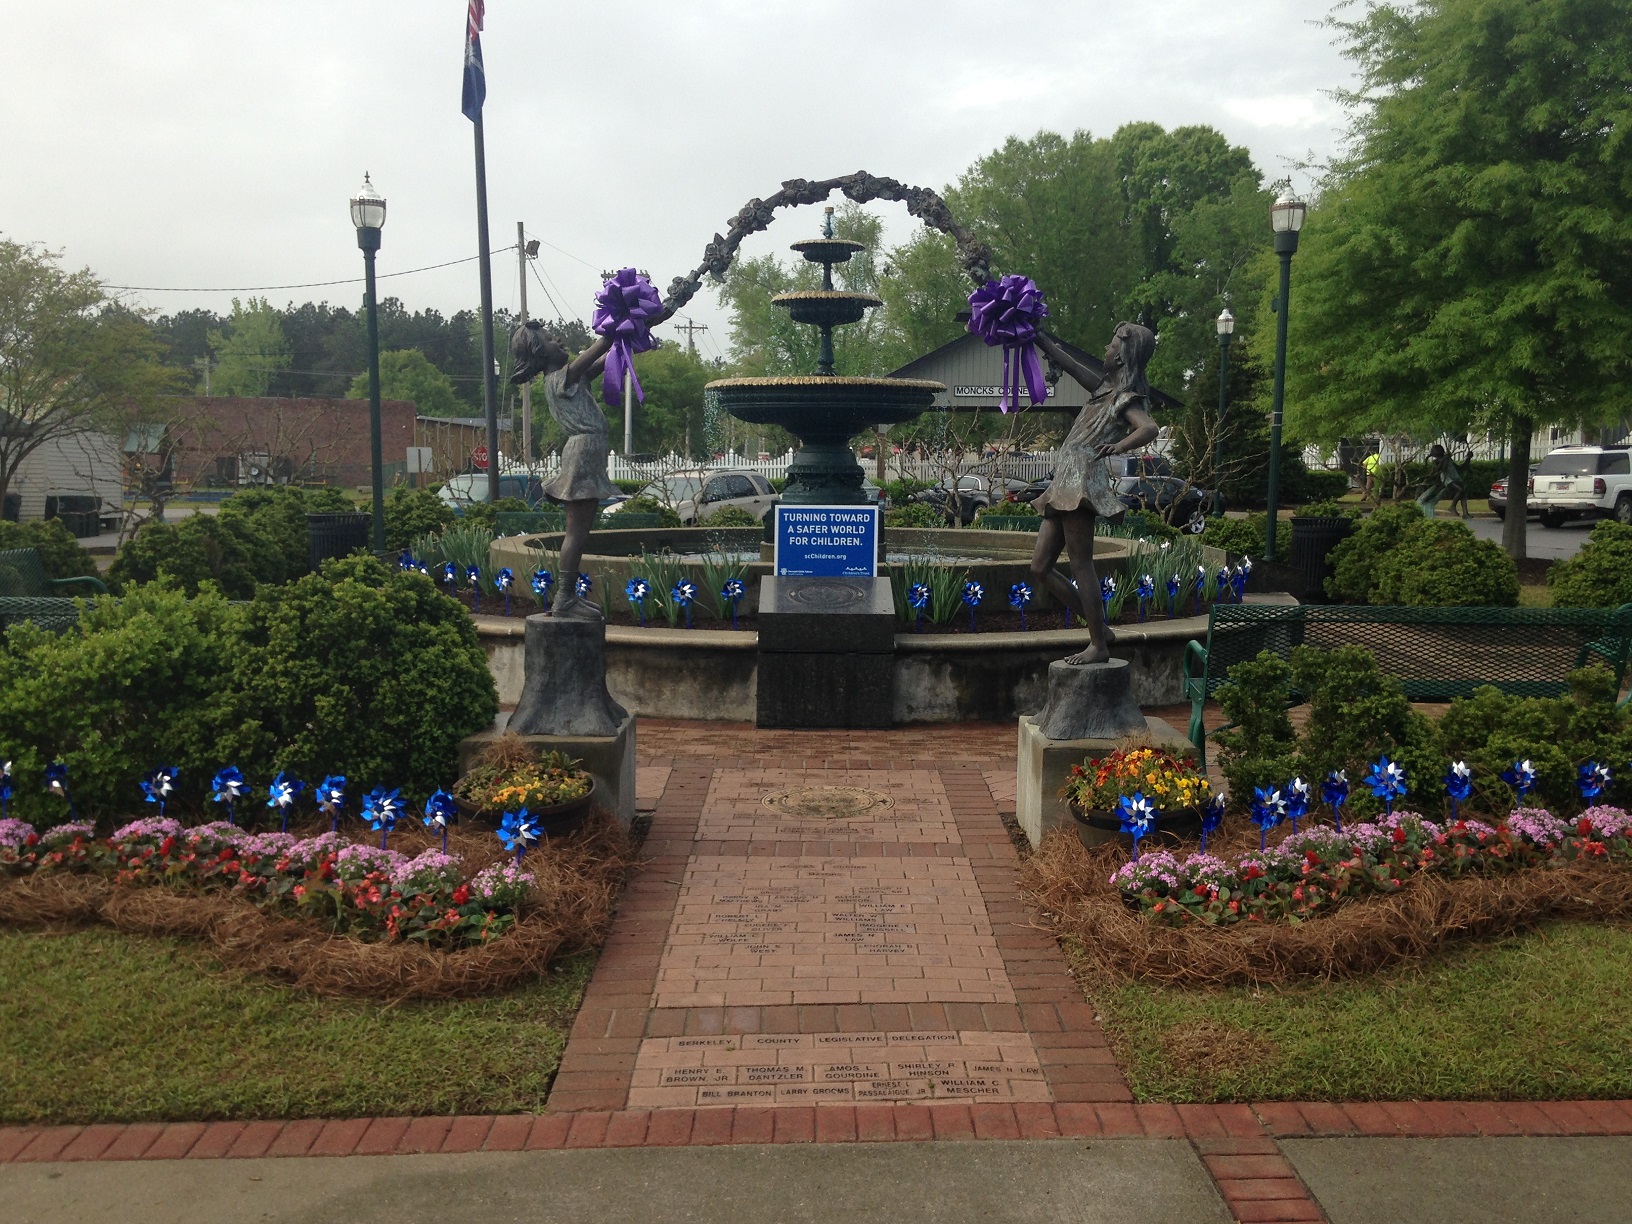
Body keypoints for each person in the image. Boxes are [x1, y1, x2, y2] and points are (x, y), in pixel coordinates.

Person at [1029, 322, 1160, 665]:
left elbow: (1149, 428)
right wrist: (1037, 334)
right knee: (1040, 567)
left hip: (1083, 480)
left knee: (1081, 563)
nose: (1106, 348)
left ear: (1122, 357)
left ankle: (1098, 644)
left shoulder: (1124, 398)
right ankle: (1100, 629)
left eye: (1111, 345)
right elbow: (1070, 364)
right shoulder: (1103, 389)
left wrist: (1119, 446)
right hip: (1065, 480)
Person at [509, 321, 656, 620]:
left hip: (587, 453)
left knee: (580, 530)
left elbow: (607, 357)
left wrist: (634, 334)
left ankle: (567, 596)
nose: (559, 339)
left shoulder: (572, 378)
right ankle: (564, 597)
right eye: (550, 339)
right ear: (540, 353)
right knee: (576, 532)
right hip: (582, 454)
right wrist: (619, 322)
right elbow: (602, 345)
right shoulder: (559, 378)